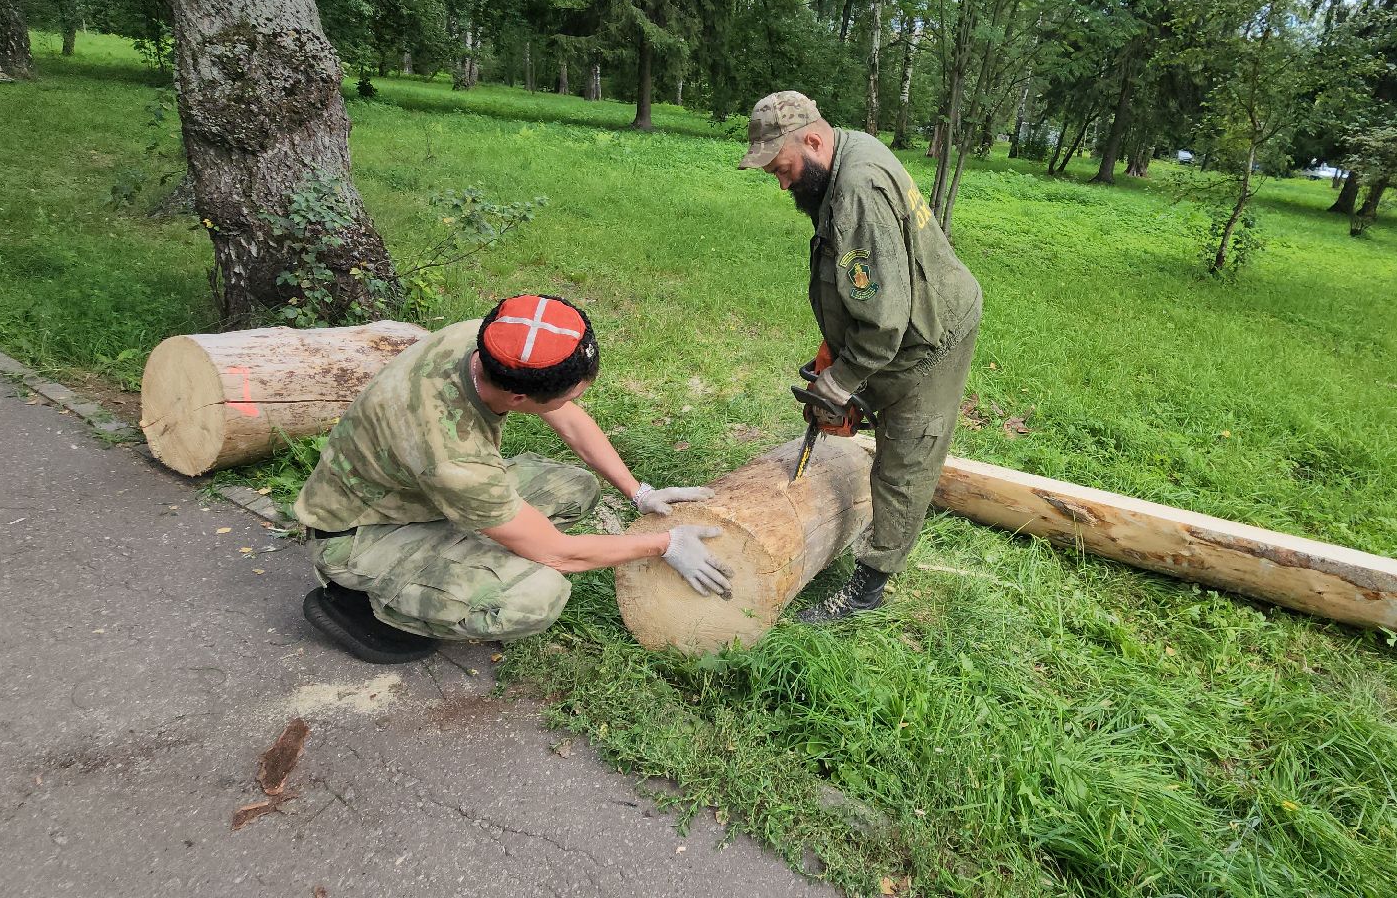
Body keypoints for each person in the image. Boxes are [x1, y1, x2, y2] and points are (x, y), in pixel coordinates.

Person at [293, 294, 733, 663]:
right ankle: (363, 607)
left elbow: (565, 415)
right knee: (534, 596)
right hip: (363, 532)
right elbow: (560, 554)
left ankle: (468, 551)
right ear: (519, 396)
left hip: (421, 496)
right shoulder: (453, 454)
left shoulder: (492, 342)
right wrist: (665, 544)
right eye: (574, 392)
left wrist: (639, 492)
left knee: (574, 488)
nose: (578, 399)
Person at [738, 91, 983, 623]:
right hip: (897, 323)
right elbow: (862, 286)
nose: (781, 183)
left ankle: (866, 590)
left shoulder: (857, 190)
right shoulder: (850, 151)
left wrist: (838, 383)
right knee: (870, 405)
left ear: (813, 139)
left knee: (905, 458)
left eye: (783, 169)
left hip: (929, 339)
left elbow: (886, 324)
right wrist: (833, 356)